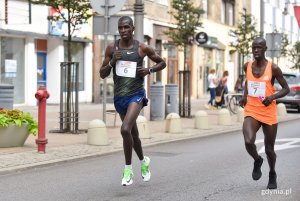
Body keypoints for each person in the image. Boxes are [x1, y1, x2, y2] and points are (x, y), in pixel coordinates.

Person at [99, 16, 166, 186]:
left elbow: (162, 62)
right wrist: (113, 61)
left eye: (126, 27)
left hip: (136, 95)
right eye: (120, 28)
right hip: (119, 97)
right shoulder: (111, 48)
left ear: (132, 28)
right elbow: (102, 74)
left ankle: (128, 170)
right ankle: (144, 162)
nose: (123, 31)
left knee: (125, 129)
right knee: (133, 135)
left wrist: (149, 70)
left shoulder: (142, 48)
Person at [239, 37, 289, 189]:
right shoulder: (247, 65)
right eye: (254, 47)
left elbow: (286, 88)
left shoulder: (273, 68)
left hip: (268, 111)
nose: (256, 50)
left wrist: (272, 97)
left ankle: (272, 173)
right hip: (252, 109)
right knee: (248, 141)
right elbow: (248, 81)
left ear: (265, 49)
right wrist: (244, 95)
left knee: (269, 149)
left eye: (259, 47)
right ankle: (257, 160)